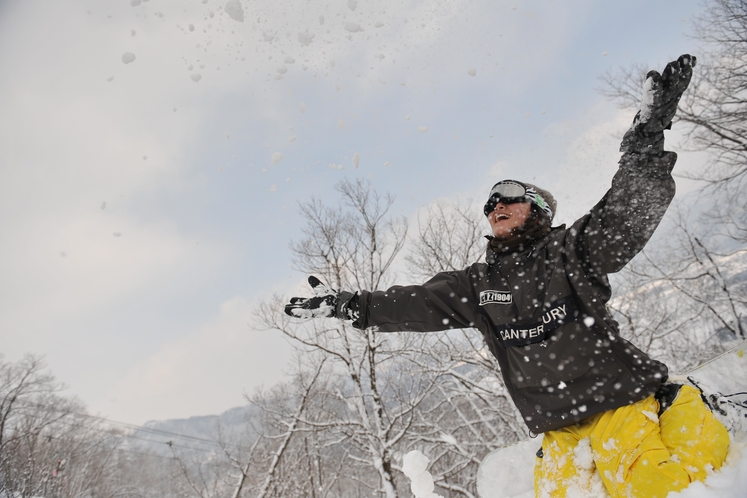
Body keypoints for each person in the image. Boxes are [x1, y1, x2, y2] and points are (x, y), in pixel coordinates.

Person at [284, 54, 730, 498]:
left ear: (537, 209)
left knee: (654, 487)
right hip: (559, 425)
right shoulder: (478, 285)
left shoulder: (570, 250)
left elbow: (626, 213)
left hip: (619, 398)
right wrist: (347, 304)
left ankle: (681, 408)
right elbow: (415, 303)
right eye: (491, 202)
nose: (496, 204)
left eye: (510, 196)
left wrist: (646, 139)